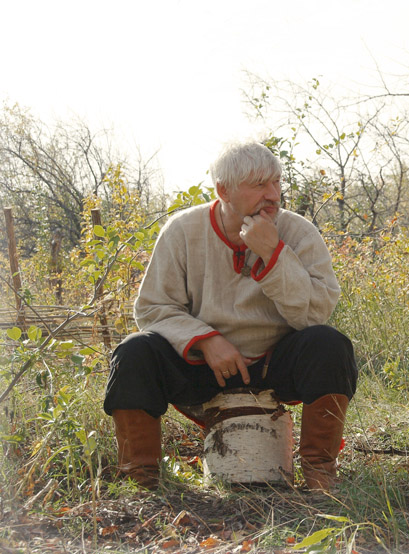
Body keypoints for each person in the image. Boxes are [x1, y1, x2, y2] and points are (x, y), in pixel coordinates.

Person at [103, 141, 358, 491]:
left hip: (274, 365)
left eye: (276, 183)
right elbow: (152, 308)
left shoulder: (297, 232)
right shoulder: (182, 231)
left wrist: (273, 253)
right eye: (258, 185)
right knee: (134, 352)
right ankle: (139, 478)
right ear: (223, 190)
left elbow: (315, 314)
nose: (272, 195)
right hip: (202, 368)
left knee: (330, 344)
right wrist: (205, 340)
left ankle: (319, 473)